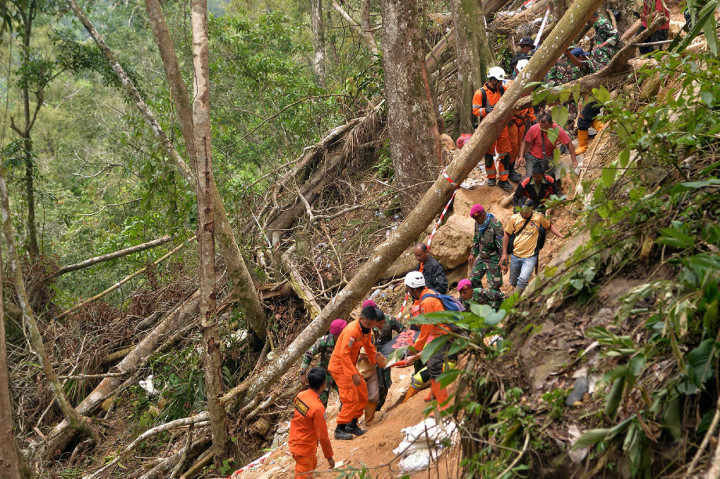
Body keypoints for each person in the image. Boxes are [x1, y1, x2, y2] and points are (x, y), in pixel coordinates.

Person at [327, 306, 386, 440]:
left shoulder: (366, 330)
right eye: (368, 324)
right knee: (350, 398)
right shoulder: (351, 331)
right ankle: (339, 429)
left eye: (372, 324)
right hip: (340, 367)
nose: (370, 326)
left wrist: (376, 359)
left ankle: (352, 424)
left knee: (363, 393)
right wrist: (353, 374)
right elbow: (343, 354)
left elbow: (369, 347)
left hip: (350, 367)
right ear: (361, 319)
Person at [403, 271, 454, 415]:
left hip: (444, 335)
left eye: (408, 289)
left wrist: (415, 348)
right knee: (432, 366)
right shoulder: (428, 293)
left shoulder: (427, 302)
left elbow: (426, 330)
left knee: (435, 367)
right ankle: (435, 396)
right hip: (441, 334)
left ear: (412, 289)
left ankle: (443, 406)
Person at [500, 198, 565, 296]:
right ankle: (527, 295)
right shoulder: (514, 218)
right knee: (513, 282)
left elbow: (549, 226)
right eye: (523, 211)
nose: (525, 214)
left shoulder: (538, 217)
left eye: (527, 211)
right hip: (516, 255)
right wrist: (504, 254)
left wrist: (561, 235)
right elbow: (507, 235)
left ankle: (514, 302)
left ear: (532, 209)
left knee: (522, 280)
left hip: (530, 257)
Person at [472, 67, 514, 191]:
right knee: (489, 153)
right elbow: (475, 110)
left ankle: (503, 179)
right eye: (500, 81)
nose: (502, 83)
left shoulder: (502, 89)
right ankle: (491, 177)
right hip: (488, 127)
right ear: (493, 80)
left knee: (505, 153)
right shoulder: (480, 93)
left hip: (502, 126)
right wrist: (485, 111)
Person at [289, 367, 335, 478]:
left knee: (312, 463)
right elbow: (323, 437)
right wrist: (329, 457)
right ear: (323, 385)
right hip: (304, 448)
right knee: (304, 474)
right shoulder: (318, 408)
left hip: (296, 440)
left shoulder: (300, 396)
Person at [518, 112, 577, 190]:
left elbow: (569, 144)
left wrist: (574, 161)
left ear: (551, 124)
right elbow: (525, 142)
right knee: (530, 180)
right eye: (542, 128)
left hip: (548, 159)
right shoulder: (534, 129)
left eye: (546, 128)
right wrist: (521, 156)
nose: (544, 130)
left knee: (548, 181)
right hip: (533, 157)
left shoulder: (557, 130)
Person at [300, 319, 347, 407]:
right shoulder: (324, 341)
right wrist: (303, 373)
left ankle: (345, 419)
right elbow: (308, 354)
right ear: (337, 334)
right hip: (325, 375)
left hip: (340, 374)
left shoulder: (348, 340)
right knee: (320, 403)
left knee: (346, 398)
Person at [370, 308, 404, 415]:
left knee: (384, 384)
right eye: (378, 323)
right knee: (375, 384)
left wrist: (398, 346)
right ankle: (373, 410)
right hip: (373, 357)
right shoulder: (369, 328)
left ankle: (377, 409)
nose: (381, 325)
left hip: (387, 355)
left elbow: (404, 332)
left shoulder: (390, 320)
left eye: (382, 322)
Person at [507, 59, 536, 182]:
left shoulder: (529, 88)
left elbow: (530, 103)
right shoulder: (509, 86)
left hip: (523, 121)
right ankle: (509, 170)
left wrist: (532, 118)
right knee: (512, 146)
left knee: (519, 144)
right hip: (513, 121)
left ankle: (513, 166)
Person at [467, 203, 504, 292]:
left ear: (483, 214)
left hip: (493, 259)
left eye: (477, 218)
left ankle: (497, 302)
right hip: (482, 257)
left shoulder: (495, 225)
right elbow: (476, 239)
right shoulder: (477, 224)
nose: (476, 221)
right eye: (474, 219)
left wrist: (503, 261)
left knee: (494, 287)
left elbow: (501, 245)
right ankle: (483, 297)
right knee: (472, 281)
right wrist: (473, 253)